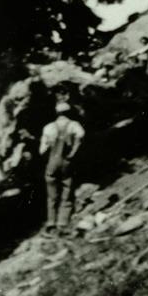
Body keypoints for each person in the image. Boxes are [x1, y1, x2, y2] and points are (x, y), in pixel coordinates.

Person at [39, 101, 85, 235]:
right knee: (67, 188)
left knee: (51, 194)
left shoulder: (48, 127)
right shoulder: (74, 125)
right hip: (66, 161)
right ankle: (63, 222)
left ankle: (51, 222)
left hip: (52, 161)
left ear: (57, 113)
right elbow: (80, 138)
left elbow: (42, 151)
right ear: (69, 112)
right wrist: (72, 153)